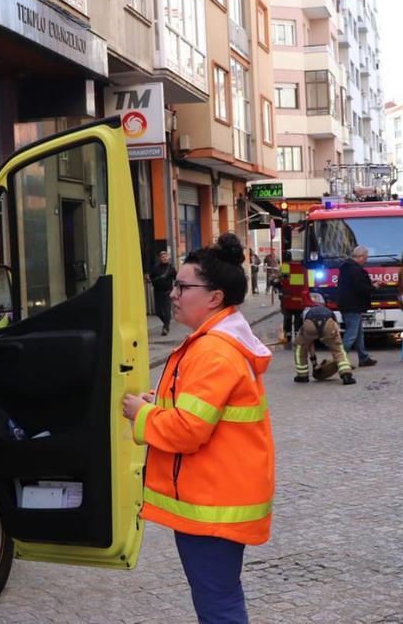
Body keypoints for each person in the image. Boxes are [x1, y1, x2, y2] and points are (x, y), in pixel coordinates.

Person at [121, 233, 274, 624]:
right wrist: (160, 406)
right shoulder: (213, 343)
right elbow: (201, 413)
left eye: (183, 286)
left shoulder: (212, 351)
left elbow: (188, 430)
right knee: (218, 597)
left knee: (218, 605)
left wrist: (141, 414)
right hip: (216, 498)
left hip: (213, 505)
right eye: (175, 285)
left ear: (214, 297)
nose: (173, 293)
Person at [293, 293, 355, 385]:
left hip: (310, 324)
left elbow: (310, 343)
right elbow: (336, 328)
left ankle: (302, 376)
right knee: (338, 350)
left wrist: (314, 363)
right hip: (328, 323)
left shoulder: (307, 311)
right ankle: (346, 375)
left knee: (299, 347)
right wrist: (333, 341)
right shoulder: (329, 311)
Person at [336, 246, 381, 368]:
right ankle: (341, 360)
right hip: (353, 306)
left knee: (358, 333)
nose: (366, 261)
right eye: (365, 258)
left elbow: (355, 284)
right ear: (360, 257)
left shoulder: (347, 268)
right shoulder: (355, 270)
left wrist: (369, 282)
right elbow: (361, 288)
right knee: (351, 335)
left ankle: (363, 357)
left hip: (348, 305)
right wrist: (374, 287)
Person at [148, 250, 177, 336]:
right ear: (160, 258)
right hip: (157, 292)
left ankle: (166, 328)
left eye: (165, 256)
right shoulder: (155, 268)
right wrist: (148, 279)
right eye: (162, 256)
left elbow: (176, 278)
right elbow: (150, 277)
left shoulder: (171, 268)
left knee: (167, 310)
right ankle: (166, 323)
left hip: (168, 292)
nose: (164, 258)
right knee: (158, 311)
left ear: (168, 257)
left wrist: (175, 288)